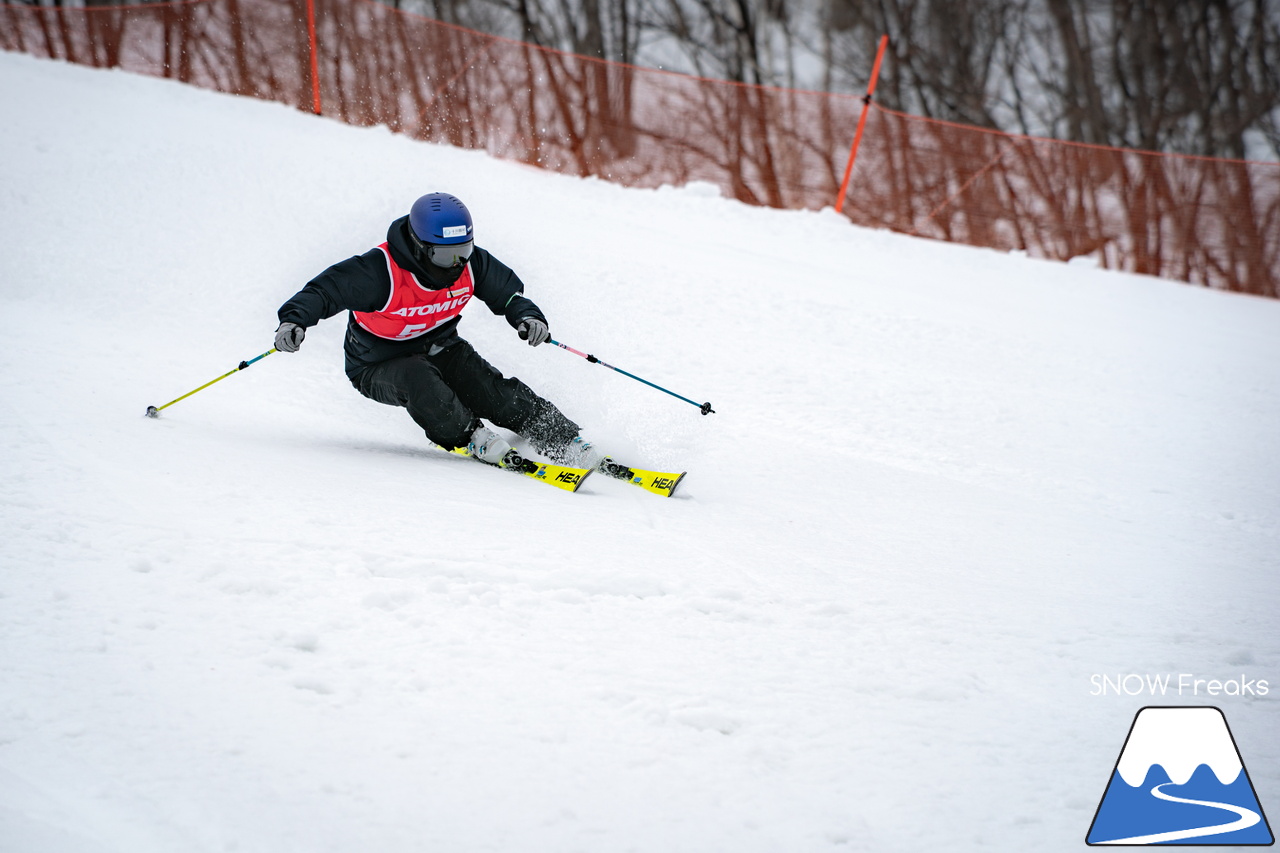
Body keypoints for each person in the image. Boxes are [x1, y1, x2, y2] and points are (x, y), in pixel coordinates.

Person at [273, 192, 603, 471]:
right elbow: (324, 292)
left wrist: (528, 316)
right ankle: (471, 436)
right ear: (420, 246)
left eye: (464, 251)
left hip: (441, 347)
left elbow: (508, 294)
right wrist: (294, 320)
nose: (457, 263)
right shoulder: (379, 272)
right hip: (377, 364)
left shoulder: (472, 265)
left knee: (491, 391)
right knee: (420, 381)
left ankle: (561, 438)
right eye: (446, 255)